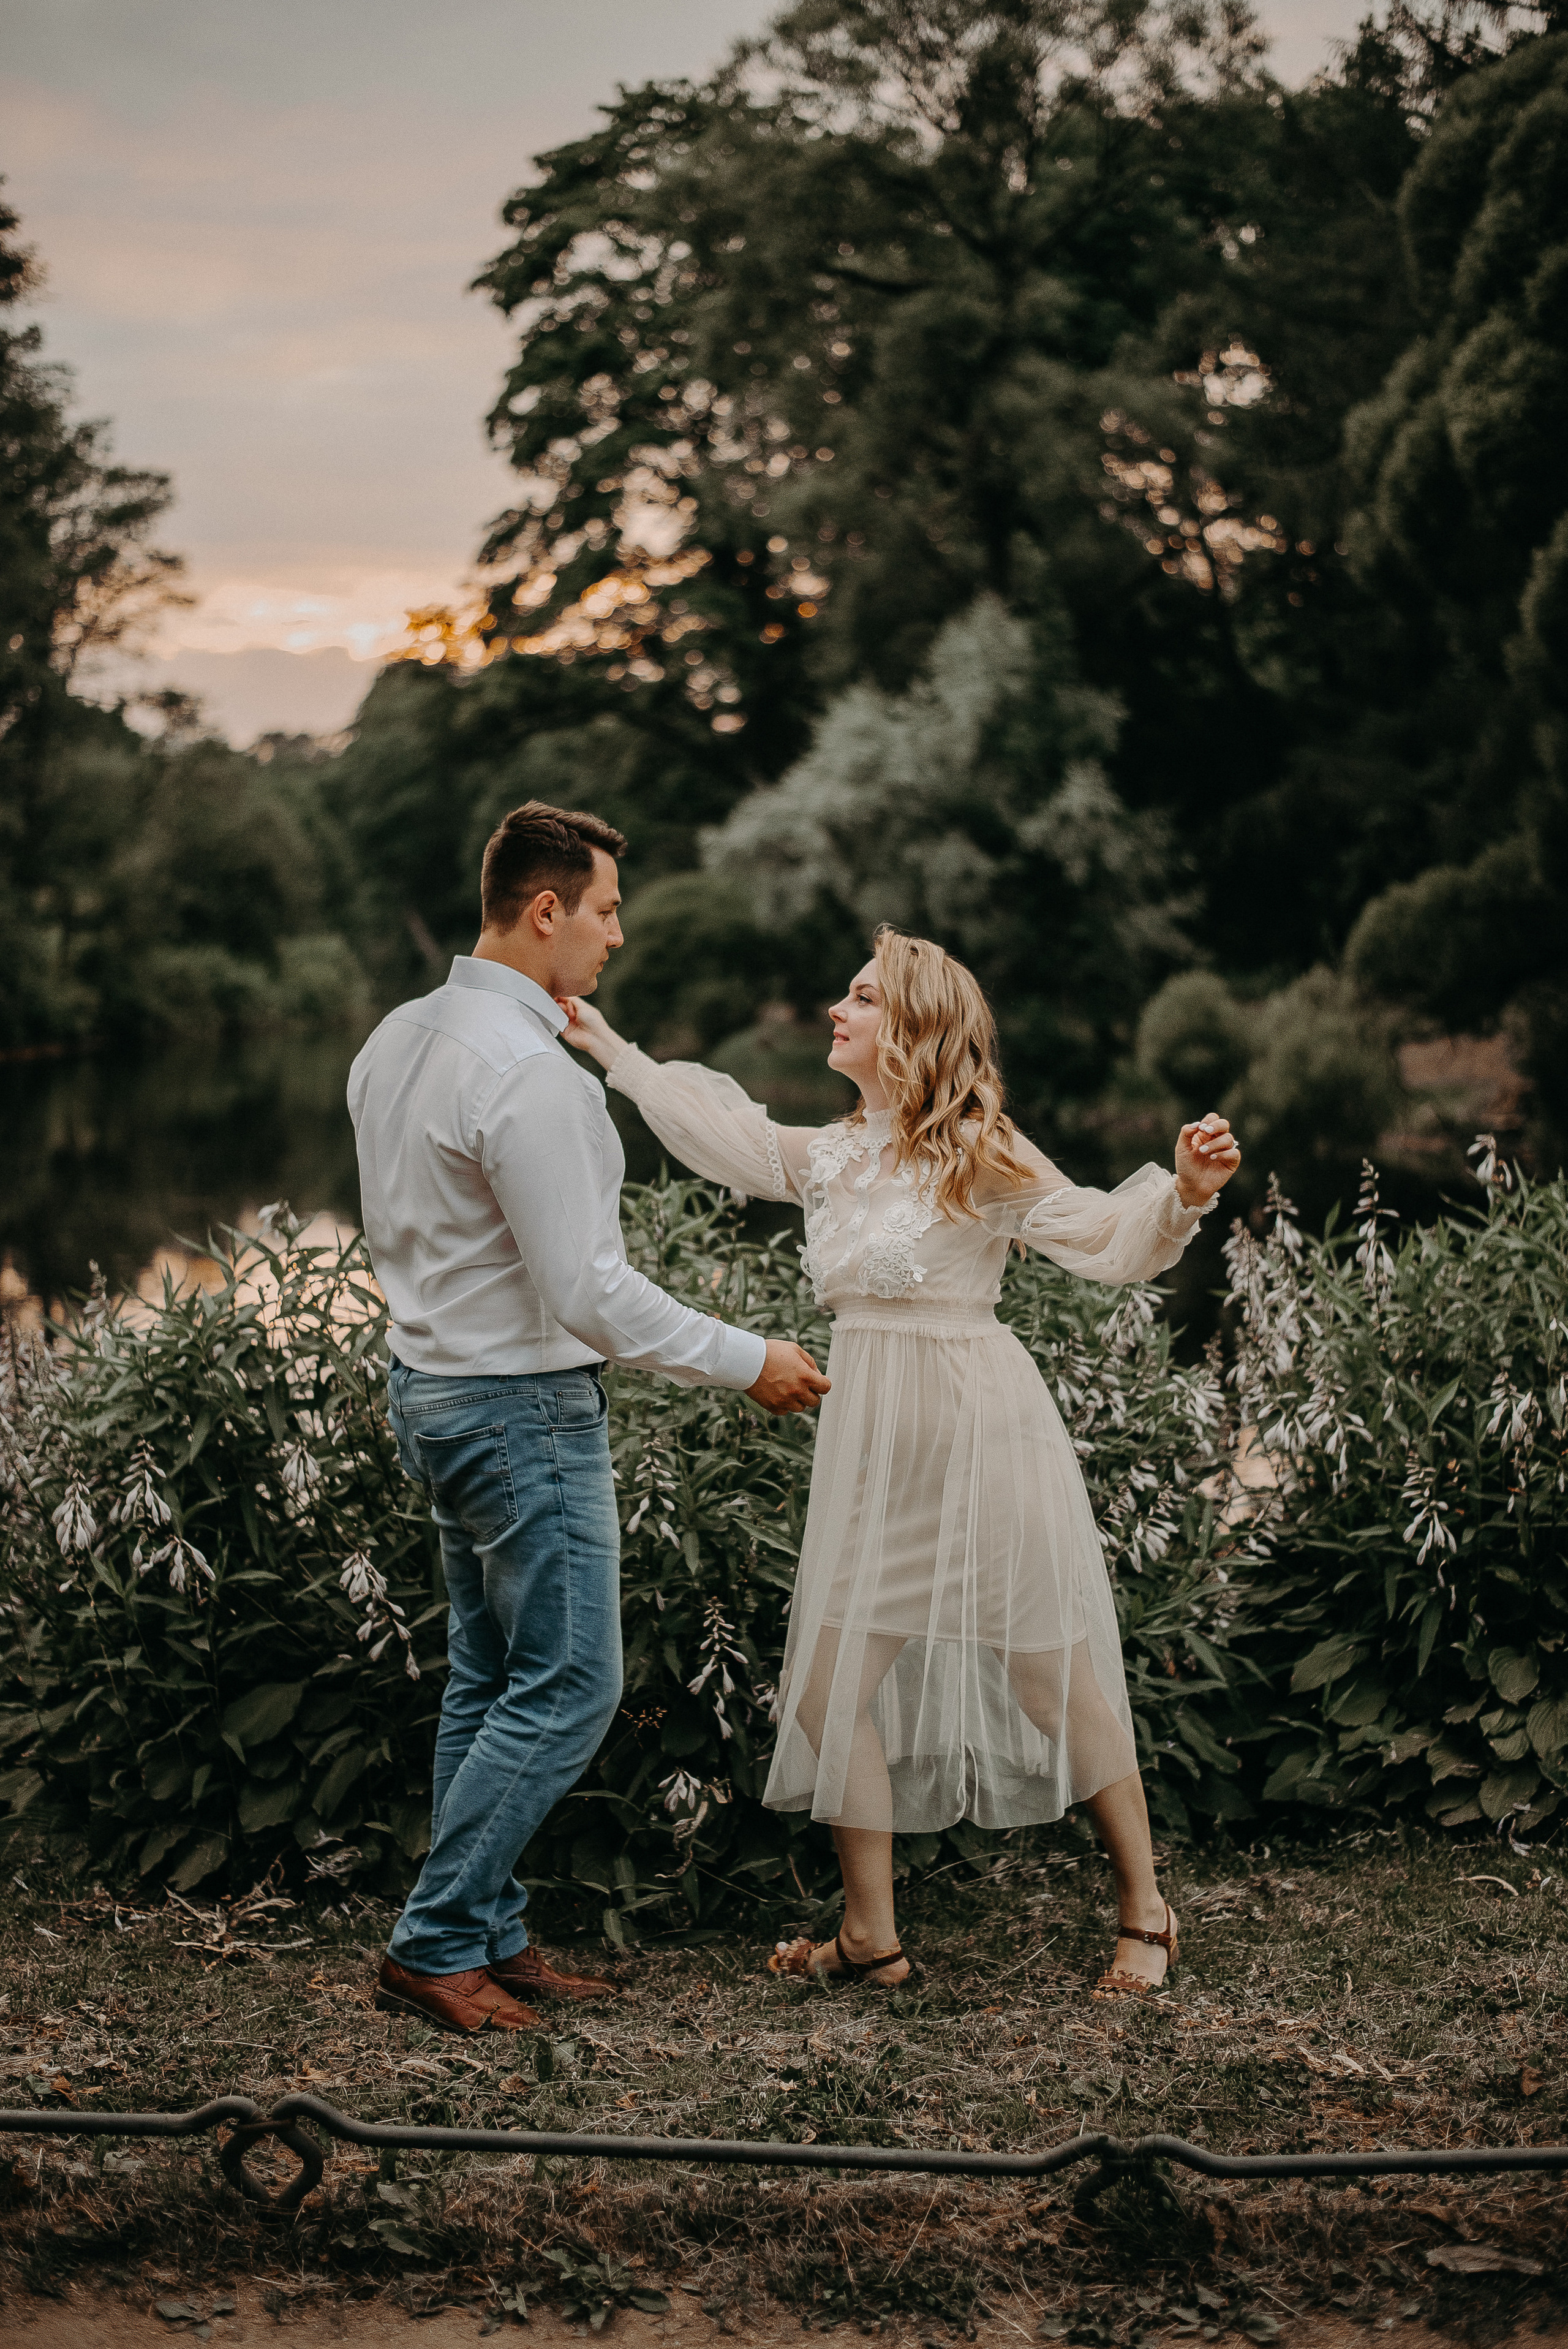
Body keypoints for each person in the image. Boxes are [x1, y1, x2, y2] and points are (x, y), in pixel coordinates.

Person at [562, 926, 1241, 1997]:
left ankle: (1147, 1912)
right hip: (873, 1453)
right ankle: (871, 1937)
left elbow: (1102, 1234)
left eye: (863, 996)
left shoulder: (980, 1148)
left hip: (981, 1433)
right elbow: (721, 1129)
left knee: (1048, 1678)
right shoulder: (830, 1155)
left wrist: (1185, 1193)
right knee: (829, 1694)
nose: (840, 1007)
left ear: (916, 1026)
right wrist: (609, 1046)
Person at [347, 801, 829, 2036]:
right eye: (606, 909)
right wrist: (750, 1359)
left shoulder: (397, 1039)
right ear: (546, 908)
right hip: (517, 1413)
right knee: (568, 1686)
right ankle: (437, 1941)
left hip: (433, 1393)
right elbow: (590, 1295)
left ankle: (491, 1931)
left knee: (489, 1679)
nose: (617, 935)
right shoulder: (531, 1081)